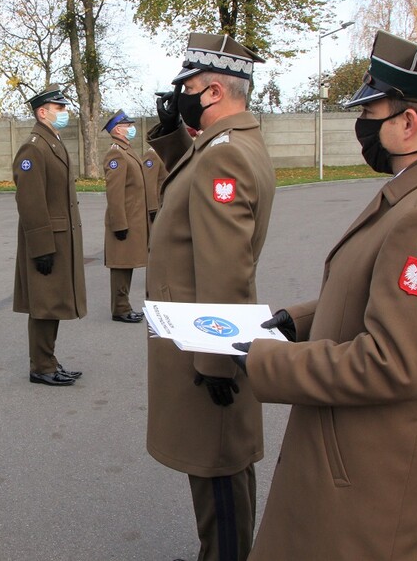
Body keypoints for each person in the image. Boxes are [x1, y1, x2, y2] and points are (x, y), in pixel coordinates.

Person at [232, 30, 417, 560]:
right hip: (368, 453)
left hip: (380, 467)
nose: (363, 124)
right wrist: (297, 320)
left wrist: (269, 362)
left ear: (408, 121)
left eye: (371, 110)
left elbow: (393, 361)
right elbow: (369, 291)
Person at [145, 33, 275, 561]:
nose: (183, 96)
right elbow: (191, 186)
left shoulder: (225, 156)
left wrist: (218, 361)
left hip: (207, 345)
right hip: (200, 337)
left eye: (190, 89)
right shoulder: (227, 145)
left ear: (215, 91)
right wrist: (173, 133)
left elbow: (225, 269)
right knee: (217, 466)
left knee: (218, 466)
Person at [12, 85, 87, 386]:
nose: (64, 112)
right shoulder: (34, 146)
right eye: (59, 108)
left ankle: (48, 361)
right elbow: (30, 201)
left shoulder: (51, 141)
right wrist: (41, 246)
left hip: (58, 238)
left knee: (52, 302)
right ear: (42, 112)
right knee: (44, 305)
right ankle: (41, 367)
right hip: (46, 241)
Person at [102, 109, 148, 323]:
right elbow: (115, 192)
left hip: (133, 219)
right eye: (128, 126)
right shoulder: (116, 154)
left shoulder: (126, 150)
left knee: (127, 263)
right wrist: (119, 224)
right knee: (121, 264)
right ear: (119, 129)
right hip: (124, 221)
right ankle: (120, 308)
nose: (132, 129)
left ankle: (123, 305)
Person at [142, 146, 168, 226]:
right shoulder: (152, 154)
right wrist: (152, 209)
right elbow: (149, 183)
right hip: (159, 205)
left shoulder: (165, 152)